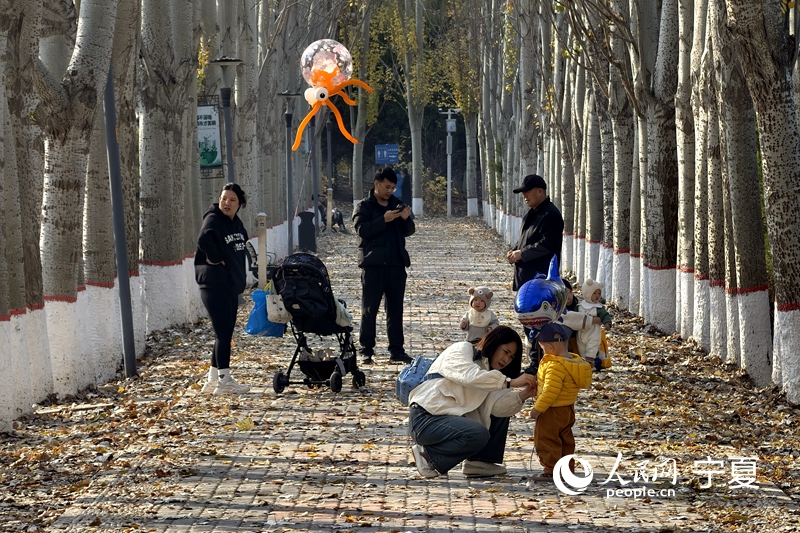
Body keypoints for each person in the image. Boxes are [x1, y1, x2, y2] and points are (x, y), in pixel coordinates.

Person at [407, 326, 537, 478]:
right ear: (494, 342)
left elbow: (498, 408)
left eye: (511, 357)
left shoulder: (494, 376)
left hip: (450, 422)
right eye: (506, 352)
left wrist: (524, 394)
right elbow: (469, 375)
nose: (506, 360)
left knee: (499, 409)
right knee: (478, 433)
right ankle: (428, 456)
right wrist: (511, 382)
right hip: (425, 418)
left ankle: (479, 462)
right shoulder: (462, 349)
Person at [353, 167, 415, 364]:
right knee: (369, 309)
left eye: (393, 188)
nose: (389, 191)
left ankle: (397, 350)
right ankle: (366, 350)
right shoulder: (364, 206)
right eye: (387, 187)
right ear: (376, 184)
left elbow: (409, 230)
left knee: (395, 310)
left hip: (396, 264)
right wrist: (383, 220)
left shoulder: (397, 204)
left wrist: (405, 219)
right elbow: (362, 230)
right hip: (373, 265)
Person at [194, 183, 251, 395]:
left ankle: (213, 378)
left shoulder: (235, 222)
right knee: (224, 333)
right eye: (224, 198)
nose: (226, 203)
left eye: (232, 200)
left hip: (229, 284)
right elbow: (203, 239)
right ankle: (225, 379)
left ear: (240, 204)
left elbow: (242, 241)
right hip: (214, 283)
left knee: (223, 333)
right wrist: (216, 258)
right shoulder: (213, 219)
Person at [506, 174, 564, 375]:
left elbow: (547, 245)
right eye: (522, 193)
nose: (524, 196)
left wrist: (522, 254)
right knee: (528, 321)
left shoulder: (551, 215)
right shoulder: (532, 213)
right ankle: (535, 361)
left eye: (527, 192)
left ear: (540, 191)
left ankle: (539, 363)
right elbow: (526, 240)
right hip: (526, 279)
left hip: (540, 281)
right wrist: (515, 250)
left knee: (539, 322)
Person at [529, 322, 592, 482]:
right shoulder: (573, 362)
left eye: (542, 348)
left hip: (552, 410)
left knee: (546, 439)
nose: (543, 351)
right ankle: (566, 469)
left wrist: (538, 409)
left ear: (549, 347)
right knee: (565, 440)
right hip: (567, 409)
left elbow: (551, 390)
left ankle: (551, 470)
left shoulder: (555, 365)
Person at [576, 279, 613, 370]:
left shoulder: (599, 308)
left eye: (599, 293)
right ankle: (584, 362)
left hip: (593, 332)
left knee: (592, 347)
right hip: (581, 332)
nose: (597, 296)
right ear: (587, 293)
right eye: (594, 293)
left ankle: (590, 363)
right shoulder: (579, 307)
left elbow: (605, 315)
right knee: (581, 348)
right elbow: (574, 316)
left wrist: (607, 323)